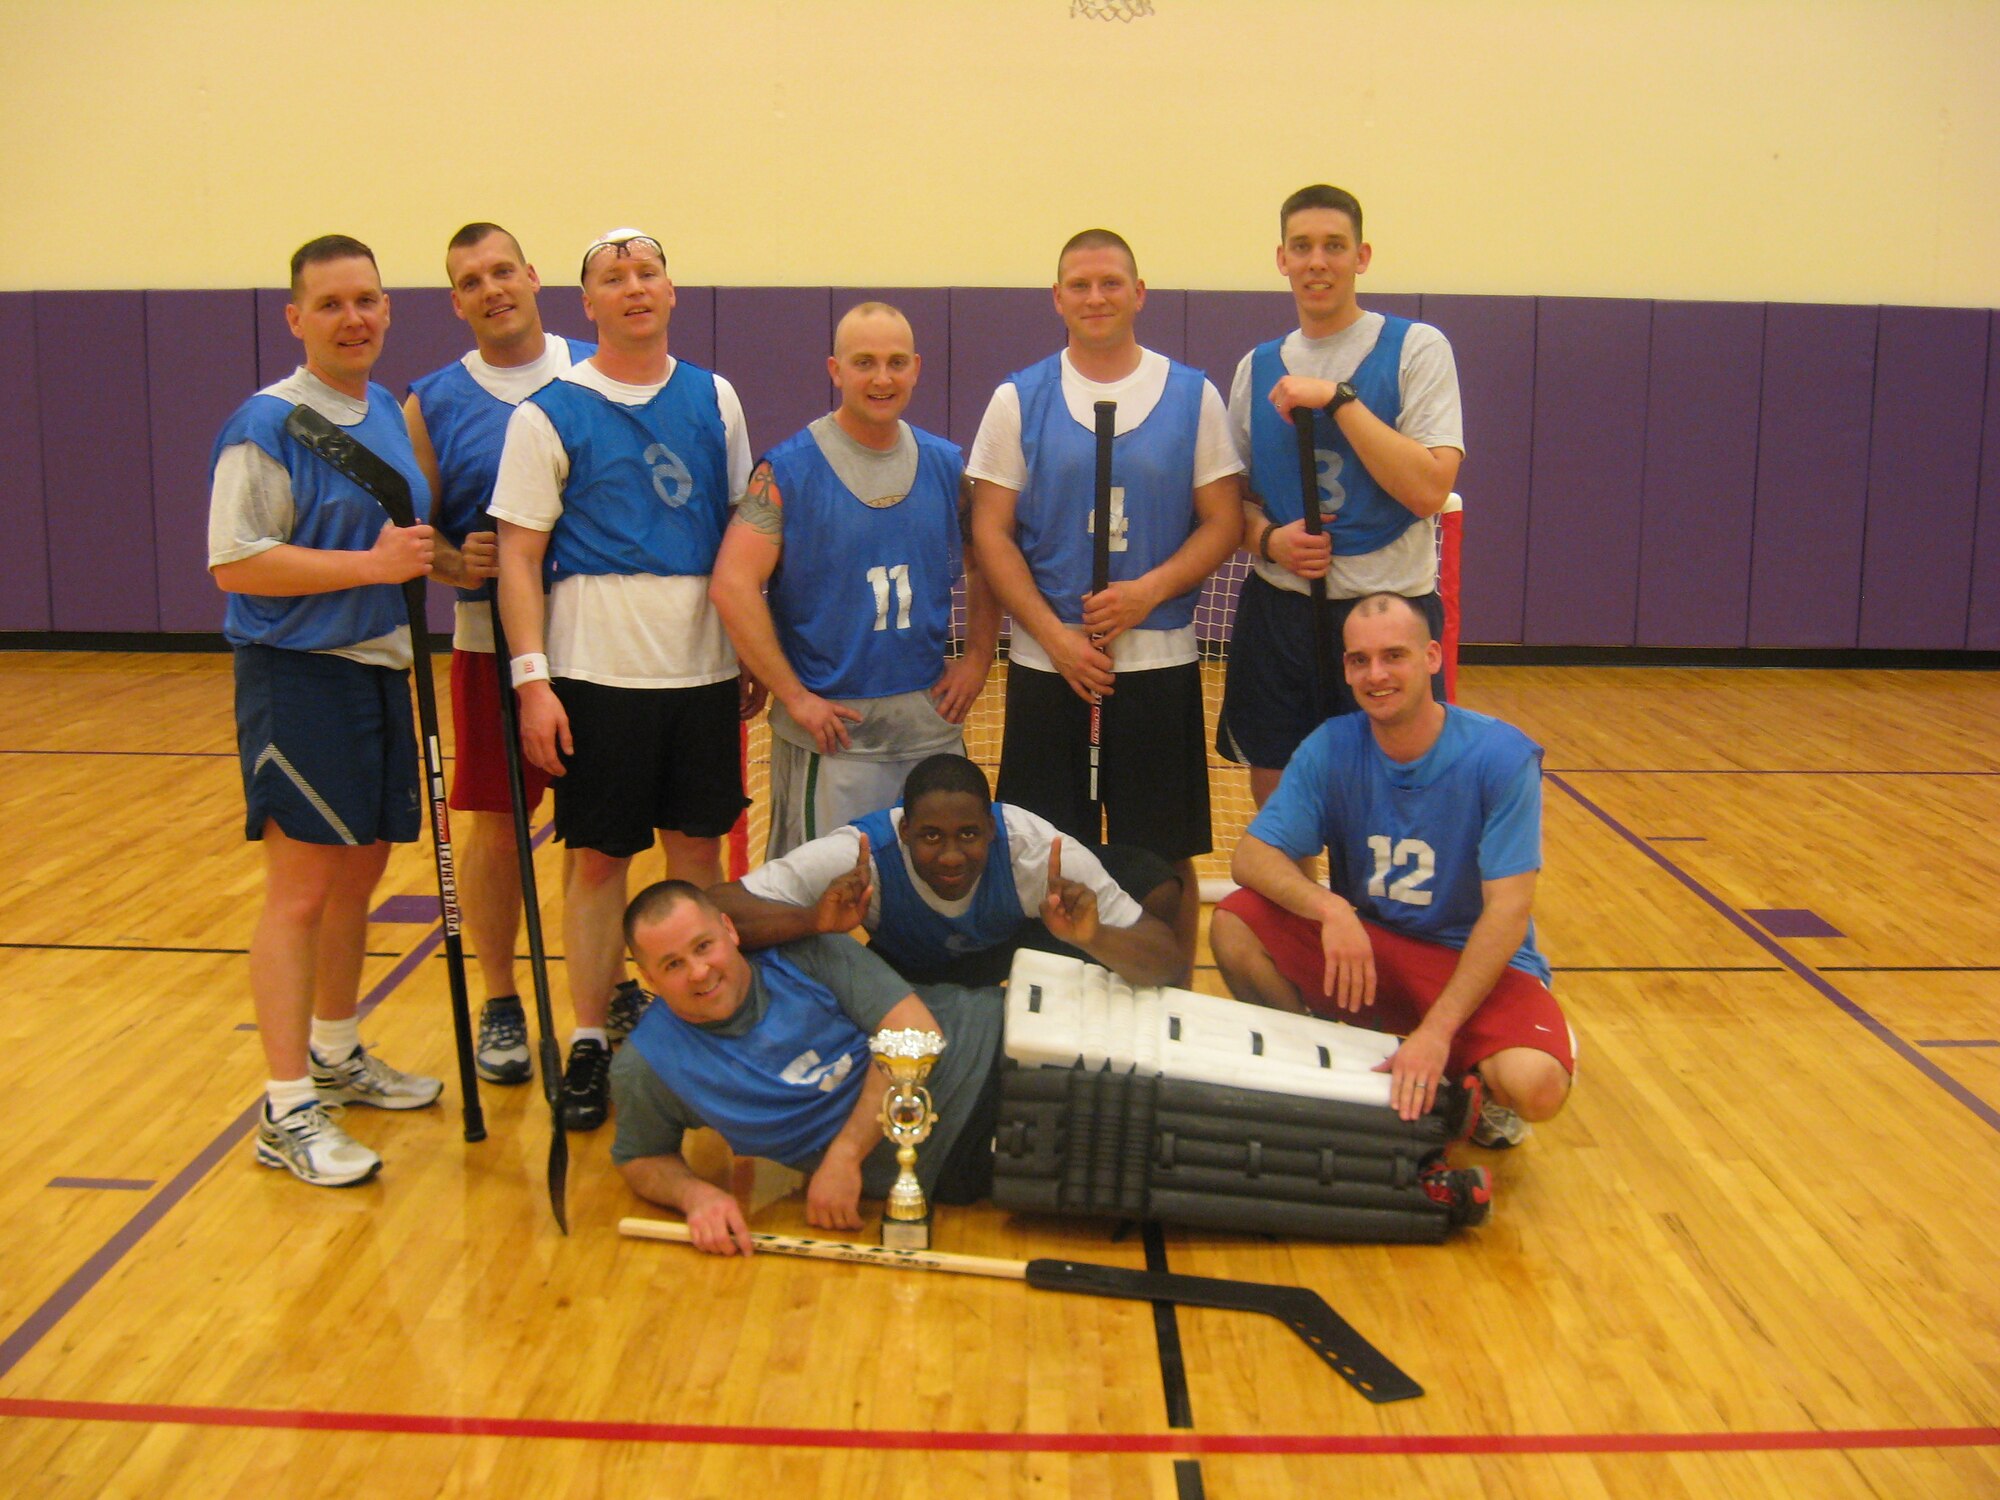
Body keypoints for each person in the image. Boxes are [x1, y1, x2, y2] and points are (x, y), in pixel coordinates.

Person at [209, 234, 465, 1186]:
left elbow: (397, 540)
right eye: (331, 304)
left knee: (358, 877)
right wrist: (371, 568)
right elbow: (235, 560)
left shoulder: (387, 417)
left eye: (367, 299)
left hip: (376, 671)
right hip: (297, 674)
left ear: (388, 308)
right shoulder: (266, 423)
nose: (353, 317)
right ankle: (285, 1110)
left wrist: (445, 563)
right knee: (302, 893)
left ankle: (336, 1050)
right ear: (296, 317)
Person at [489, 228, 757, 1132]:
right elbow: (519, 560)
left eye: (648, 272)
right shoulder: (547, 414)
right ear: (588, 304)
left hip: (702, 673)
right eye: (614, 277)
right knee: (598, 862)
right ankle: (589, 1042)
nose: (634, 287)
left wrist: (746, 652)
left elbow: (737, 537)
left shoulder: (716, 397)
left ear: (672, 291)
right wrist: (534, 682)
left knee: (697, 858)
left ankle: (709, 1039)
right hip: (594, 675)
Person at [967, 229, 1243, 964]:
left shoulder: (1193, 394)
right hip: (1046, 664)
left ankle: (1170, 1005)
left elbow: (1224, 521)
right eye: (1079, 285)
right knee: (1048, 852)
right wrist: (1055, 639)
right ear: (1057, 298)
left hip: (1157, 663)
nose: (1095, 297)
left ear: (1139, 292)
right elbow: (991, 534)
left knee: (1163, 857)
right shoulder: (1017, 398)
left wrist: (1147, 592)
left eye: (1111, 283)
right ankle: (1051, 1011)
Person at [1209, 593, 1573, 1146]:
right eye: (1359, 660)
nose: (1375, 675)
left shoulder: (1500, 757)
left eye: (1393, 656)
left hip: (1470, 964)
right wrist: (1330, 907)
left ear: (1431, 657)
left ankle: (1465, 1068)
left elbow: (1508, 910)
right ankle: (1320, 1067)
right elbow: (1250, 859)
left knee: (1537, 1088)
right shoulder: (1332, 746)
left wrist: (1437, 1031)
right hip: (1373, 953)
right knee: (1236, 923)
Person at [403, 222, 594, 1087]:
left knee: (607, 830)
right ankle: (501, 1000)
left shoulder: (597, 369)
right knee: (494, 823)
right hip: (491, 645)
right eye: (471, 280)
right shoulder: (433, 401)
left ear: (534, 275)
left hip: (603, 638)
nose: (492, 289)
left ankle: (608, 989)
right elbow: (413, 534)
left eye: (503, 270)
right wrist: (452, 559)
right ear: (456, 300)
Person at [710, 302, 998, 858]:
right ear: (835, 370)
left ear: (916, 367)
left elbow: (987, 561)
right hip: (832, 735)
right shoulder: (788, 469)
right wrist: (794, 695)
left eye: (895, 363)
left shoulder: (944, 464)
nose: (882, 378)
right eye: (864, 362)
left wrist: (980, 656)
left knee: (936, 892)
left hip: (929, 726)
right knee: (826, 898)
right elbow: (732, 584)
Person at [1216, 184, 1466, 809]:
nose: (1317, 262)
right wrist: (1270, 541)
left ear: (1363, 256)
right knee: (1280, 797)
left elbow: (1430, 489)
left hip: (1388, 611)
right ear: (1281, 259)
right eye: (1301, 247)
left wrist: (1337, 399)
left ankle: (1375, 910)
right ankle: (1299, 907)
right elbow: (1228, 506)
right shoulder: (1257, 366)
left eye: (1334, 246)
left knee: (1392, 795)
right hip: (1283, 613)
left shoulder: (1417, 348)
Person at [609, 881, 1004, 1254]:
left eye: (703, 946)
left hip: (995, 1044)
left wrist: (845, 1156)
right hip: (951, 1163)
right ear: (648, 977)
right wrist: (695, 1195)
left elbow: (913, 1032)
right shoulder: (647, 1065)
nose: (699, 971)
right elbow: (641, 1157)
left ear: (728, 930)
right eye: (673, 964)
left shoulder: (806, 953)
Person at [711, 752, 1189, 988]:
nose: (951, 856)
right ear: (903, 832)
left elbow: (1167, 962)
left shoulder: (1037, 850)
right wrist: (809, 920)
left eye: (968, 835)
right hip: (912, 967)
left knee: (1155, 881)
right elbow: (711, 912)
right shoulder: (861, 854)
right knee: (786, 959)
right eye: (931, 837)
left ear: (993, 828)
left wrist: (1094, 937)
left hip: (1015, 944)